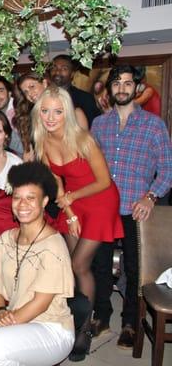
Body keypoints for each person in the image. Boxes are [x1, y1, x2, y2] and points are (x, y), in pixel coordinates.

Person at [33, 85, 123, 356]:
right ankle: (72, 317)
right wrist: (70, 214)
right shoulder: (43, 140)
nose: (50, 117)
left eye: (57, 111)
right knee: (72, 267)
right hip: (72, 200)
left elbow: (104, 181)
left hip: (100, 199)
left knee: (79, 264)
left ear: (67, 113)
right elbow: (56, 182)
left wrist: (72, 199)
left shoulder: (83, 139)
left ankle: (84, 329)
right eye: (46, 111)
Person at [0, 162, 75, 366]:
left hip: (50, 327)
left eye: (31, 198)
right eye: (17, 197)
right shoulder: (5, 239)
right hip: (13, 319)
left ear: (45, 201)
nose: (22, 205)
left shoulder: (53, 246)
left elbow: (40, 304)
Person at [91, 65, 172, 348]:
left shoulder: (154, 125)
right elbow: (92, 167)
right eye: (117, 83)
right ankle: (101, 315)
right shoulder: (99, 125)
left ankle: (130, 324)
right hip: (103, 209)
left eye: (127, 83)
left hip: (135, 211)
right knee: (99, 266)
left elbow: (167, 170)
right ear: (109, 89)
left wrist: (151, 197)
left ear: (137, 88)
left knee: (135, 271)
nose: (122, 88)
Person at [49, 54, 99, 127]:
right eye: (54, 68)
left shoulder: (84, 98)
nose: (57, 72)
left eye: (64, 69)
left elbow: (93, 127)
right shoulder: (45, 97)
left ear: (72, 74)